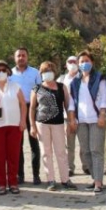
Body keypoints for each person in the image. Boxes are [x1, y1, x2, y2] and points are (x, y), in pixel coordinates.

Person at [29, 61, 77, 191]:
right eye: (44, 71)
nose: (47, 73)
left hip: (59, 123)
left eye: (50, 70)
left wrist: (71, 120)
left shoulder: (62, 87)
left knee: (61, 152)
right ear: (41, 73)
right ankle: (50, 180)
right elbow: (32, 108)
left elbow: (68, 105)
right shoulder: (36, 88)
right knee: (46, 153)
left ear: (54, 72)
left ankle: (65, 179)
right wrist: (32, 126)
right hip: (42, 124)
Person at [0, 60, 26, 196]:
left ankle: (13, 183)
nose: (1, 73)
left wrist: (23, 121)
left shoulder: (15, 86)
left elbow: (23, 105)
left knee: (13, 155)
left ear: (8, 72)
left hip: (14, 125)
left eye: (3, 70)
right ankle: (1, 184)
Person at [69, 50, 106, 194]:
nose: (84, 64)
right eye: (81, 62)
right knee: (85, 152)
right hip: (81, 121)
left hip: (96, 119)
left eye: (87, 61)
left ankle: (99, 182)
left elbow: (104, 97)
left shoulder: (99, 78)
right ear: (78, 65)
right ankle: (94, 177)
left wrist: (103, 114)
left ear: (92, 62)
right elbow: (72, 102)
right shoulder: (75, 82)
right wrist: (72, 119)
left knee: (96, 150)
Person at [11, 47, 42, 185]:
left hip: (32, 109)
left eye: (23, 55)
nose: (21, 58)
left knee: (34, 144)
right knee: (18, 145)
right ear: (15, 58)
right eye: (19, 56)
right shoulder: (10, 74)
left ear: (27, 57)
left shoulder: (35, 73)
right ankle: (20, 175)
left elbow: (40, 91)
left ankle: (36, 175)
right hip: (15, 109)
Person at [57, 55, 83, 176]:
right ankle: (70, 167)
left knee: (84, 143)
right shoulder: (61, 79)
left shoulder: (84, 77)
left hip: (83, 115)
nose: (72, 63)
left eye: (75, 61)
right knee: (69, 144)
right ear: (66, 65)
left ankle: (87, 166)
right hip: (67, 116)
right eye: (70, 61)